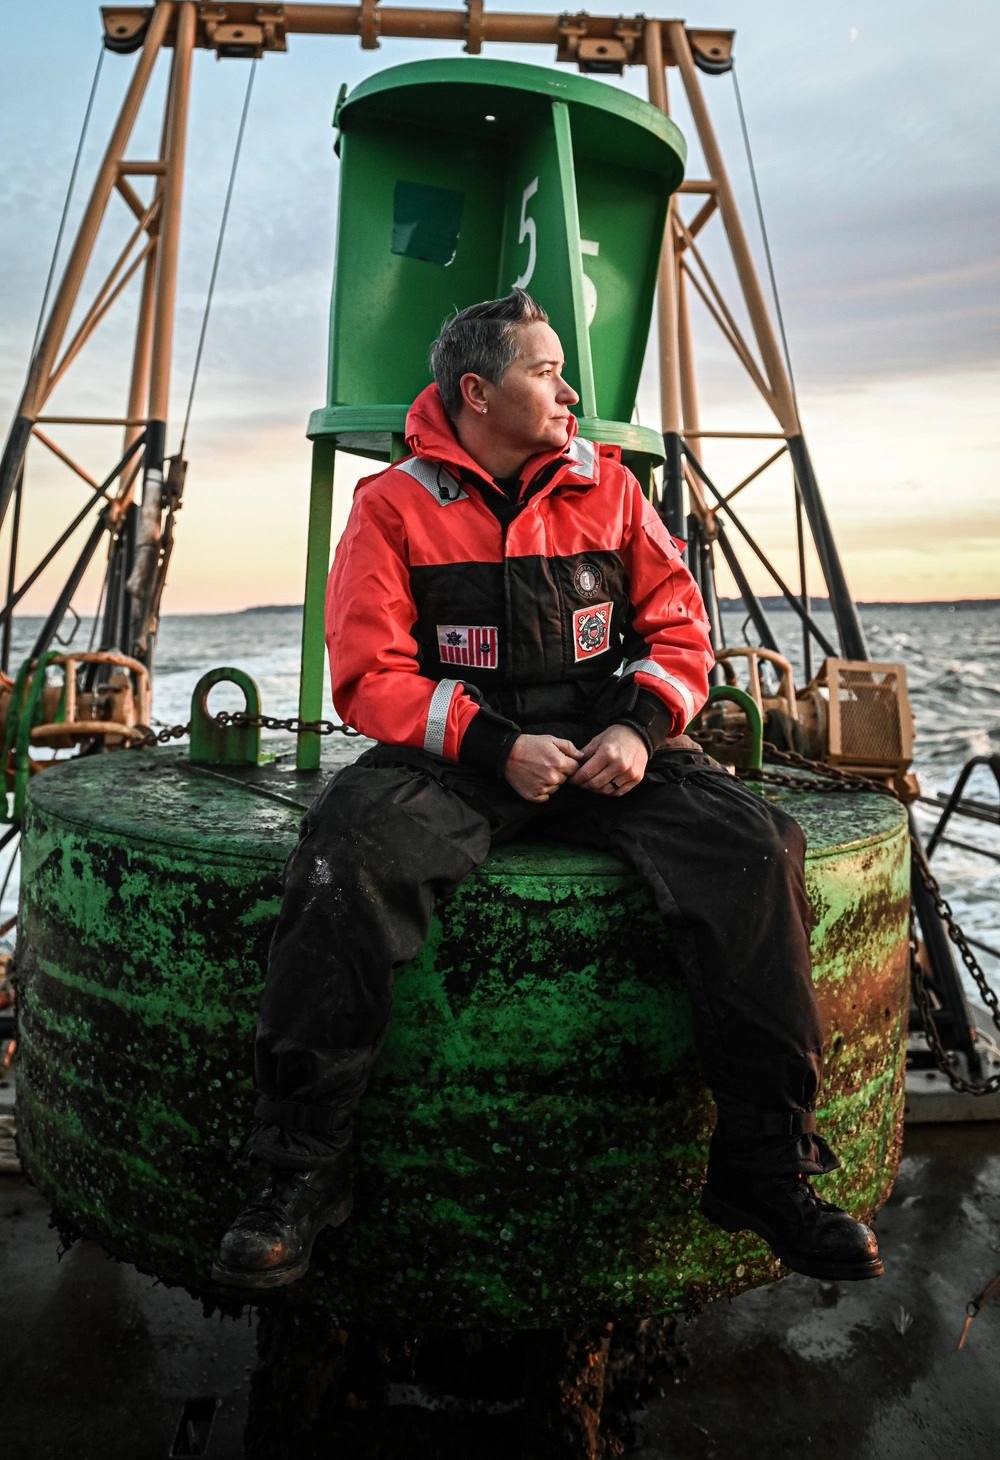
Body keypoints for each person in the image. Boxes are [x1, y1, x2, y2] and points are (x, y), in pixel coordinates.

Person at [212, 291, 883, 1293]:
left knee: (754, 848)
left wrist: (640, 729)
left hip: (610, 741)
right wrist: (493, 744)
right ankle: (300, 1175)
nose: (570, 391)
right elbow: (368, 674)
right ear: (477, 392)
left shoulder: (609, 489)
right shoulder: (391, 506)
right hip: (459, 755)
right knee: (344, 856)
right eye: (546, 370)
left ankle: (766, 1168)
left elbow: (679, 630)